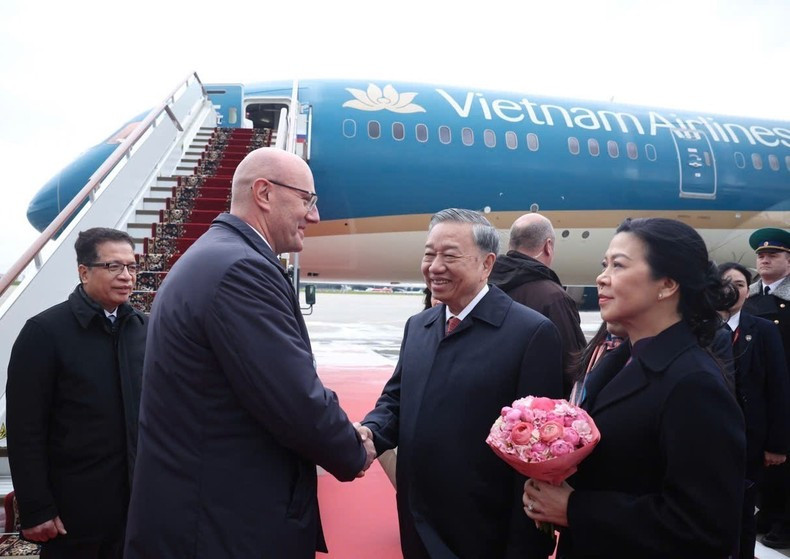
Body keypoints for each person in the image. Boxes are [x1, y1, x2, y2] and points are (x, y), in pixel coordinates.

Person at [123, 148, 374, 558]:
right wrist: (353, 449)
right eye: (307, 200)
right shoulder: (241, 269)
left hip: (203, 515)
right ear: (264, 193)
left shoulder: (215, 255)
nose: (315, 216)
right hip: (224, 528)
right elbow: (293, 398)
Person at [523, 217, 745, 558]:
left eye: (618, 265)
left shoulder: (693, 384)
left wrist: (575, 508)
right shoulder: (619, 360)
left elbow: (705, 526)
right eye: (604, 264)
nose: (602, 277)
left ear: (667, 284)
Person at [359, 208, 564, 558]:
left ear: (487, 264)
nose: (435, 266)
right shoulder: (418, 327)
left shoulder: (529, 334)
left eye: (450, 255)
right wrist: (369, 435)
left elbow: (536, 455)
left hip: (484, 534)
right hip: (417, 524)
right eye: (429, 254)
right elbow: (395, 402)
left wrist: (525, 547)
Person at [6, 228, 147, 559]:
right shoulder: (44, 333)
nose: (126, 276)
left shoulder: (146, 330)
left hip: (138, 507)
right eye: (113, 266)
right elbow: (25, 429)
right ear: (84, 271)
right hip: (74, 513)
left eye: (131, 266)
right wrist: (36, 507)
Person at [719, 261, 790, 559]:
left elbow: (778, 388)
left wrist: (777, 445)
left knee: (744, 515)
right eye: (726, 284)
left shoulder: (761, 329)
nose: (732, 291)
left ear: (749, 292)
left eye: (740, 285)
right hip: (708, 438)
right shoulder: (698, 329)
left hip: (749, 440)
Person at [490, 212, 586, 396]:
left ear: (511, 245)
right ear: (548, 246)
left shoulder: (484, 287)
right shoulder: (553, 297)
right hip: (537, 413)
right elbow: (573, 364)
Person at [742, 227, 790, 548]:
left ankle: (786, 522)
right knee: (764, 461)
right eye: (760, 255)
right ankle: (769, 514)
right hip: (758, 389)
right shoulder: (750, 297)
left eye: (773, 254)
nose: (765, 259)